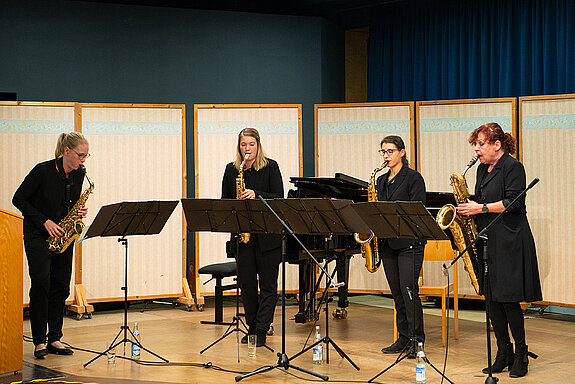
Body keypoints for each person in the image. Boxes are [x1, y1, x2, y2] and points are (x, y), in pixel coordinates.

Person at [457, 123, 541, 378]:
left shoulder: (514, 167)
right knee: (492, 299)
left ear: (497, 144)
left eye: (481, 143)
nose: (477, 149)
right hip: (488, 238)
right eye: (476, 144)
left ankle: (521, 353)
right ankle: (503, 352)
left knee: (509, 299)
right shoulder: (482, 168)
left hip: (510, 240)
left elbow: (514, 203)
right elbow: (481, 197)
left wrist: (479, 208)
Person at [13, 132, 90, 359]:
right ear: (66, 151)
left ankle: (55, 337)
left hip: (63, 235)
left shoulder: (79, 174)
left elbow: (71, 202)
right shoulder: (42, 171)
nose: (83, 161)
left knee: (60, 286)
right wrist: (44, 221)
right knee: (41, 285)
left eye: (86, 156)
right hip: (38, 234)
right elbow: (19, 199)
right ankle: (39, 341)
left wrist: (79, 211)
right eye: (80, 155)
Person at [221, 127, 284, 347]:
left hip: (267, 237)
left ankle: (261, 330)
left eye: (251, 144)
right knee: (247, 285)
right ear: (238, 146)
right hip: (242, 237)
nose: (247, 149)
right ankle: (252, 327)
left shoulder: (271, 167)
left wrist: (257, 194)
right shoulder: (232, 170)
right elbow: (224, 202)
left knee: (268, 286)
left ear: (258, 145)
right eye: (243, 144)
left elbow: (279, 197)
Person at [376, 135, 426, 358]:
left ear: (402, 152)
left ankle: (417, 340)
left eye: (390, 151)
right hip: (388, 243)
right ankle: (403, 338)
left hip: (409, 243)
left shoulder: (414, 178)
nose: (386, 156)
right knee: (397, 294)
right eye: (383, 152)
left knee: (409, 291)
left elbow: (418, 210)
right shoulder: (381, 181)